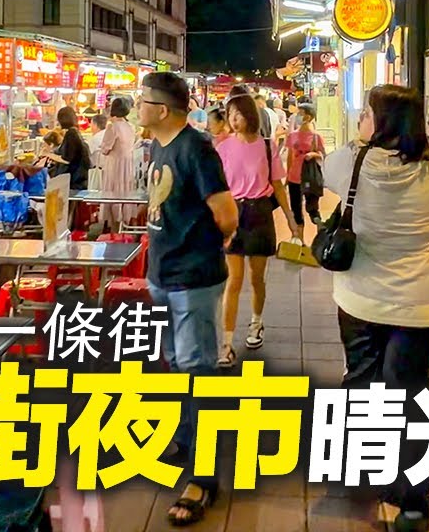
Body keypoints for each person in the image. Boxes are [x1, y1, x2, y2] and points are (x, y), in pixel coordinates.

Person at [321, 84, 429, 532]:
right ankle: (414, 503)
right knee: (411, 398)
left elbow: (327, 173)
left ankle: (365, 471)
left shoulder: (348, 163)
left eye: (366, 112)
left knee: (362, 384)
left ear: (377, 121)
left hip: (359, 298)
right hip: (421, 305)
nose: (361, 118)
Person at [138, 72, 238, 527]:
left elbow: (227, 215)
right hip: (163, 273)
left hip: (193, 278)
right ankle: (183, 436)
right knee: (176, 365)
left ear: (161, 109)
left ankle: (204, 477)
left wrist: (197, 248)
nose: (136, 107)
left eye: (142, 101)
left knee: (198, 373)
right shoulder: (160, 146)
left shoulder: (196, 149)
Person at [216, 95, 298, 366]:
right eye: (230, 114)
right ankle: (227, 343)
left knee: (257, 277)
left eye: (238, 114)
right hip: (234, 213)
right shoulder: (223, 147)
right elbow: (218, 187)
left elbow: (278, 185)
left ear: (250, 115)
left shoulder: (267, 146)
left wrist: (290, 218)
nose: (233, 120)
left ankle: (256, 322)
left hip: (260, 213)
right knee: (234, 279)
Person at [284, 103, 325, 232]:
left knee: (312, 207)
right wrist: (287, 176)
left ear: (308, 117)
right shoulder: (292, 136)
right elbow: (290, 157)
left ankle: (319, 230)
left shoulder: (316, 137)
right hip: (294, 177)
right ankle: (299, 240)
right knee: (296, 209)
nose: (297, 116)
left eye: (300, 113)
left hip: (310, 176)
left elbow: (322, 156)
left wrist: (312, 154)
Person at [98, 97, 137, 229]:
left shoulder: (112, 127)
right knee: (124, 193)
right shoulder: (130, 127)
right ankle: (123, 226)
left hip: (115, 165)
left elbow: (105, 149)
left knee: (113, 194)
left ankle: (114, 229)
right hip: (128, 166)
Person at [46, 106, 89, 190]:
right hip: (79, 177)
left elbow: (67, 159)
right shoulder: (74, 132)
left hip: (74, 179)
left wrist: (48, 154)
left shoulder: (71, 134)